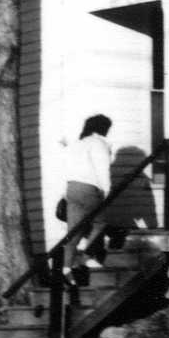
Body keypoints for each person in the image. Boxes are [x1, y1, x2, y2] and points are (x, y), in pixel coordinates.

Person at [62, 114, 113, 281]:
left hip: (71, 188)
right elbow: (102, 168)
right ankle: (85, 257)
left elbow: (67, 167)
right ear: (103, 128)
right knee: (100, 223)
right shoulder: (99, 143)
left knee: (74, 230)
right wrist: (107, 190)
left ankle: (66, 268)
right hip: (88, 188)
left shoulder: (78, 144)